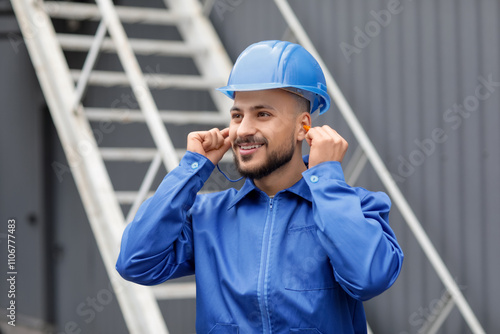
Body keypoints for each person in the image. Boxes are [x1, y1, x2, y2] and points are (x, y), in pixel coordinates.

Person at [116, 40, 403, 334]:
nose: (243, 130)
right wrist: (191, 169)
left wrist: (326, 179)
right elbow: (135, 262)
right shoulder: (208, 217)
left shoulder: (355, 208)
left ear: (303, 127)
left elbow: (369, 278)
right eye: (237, 115)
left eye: (263, 114)